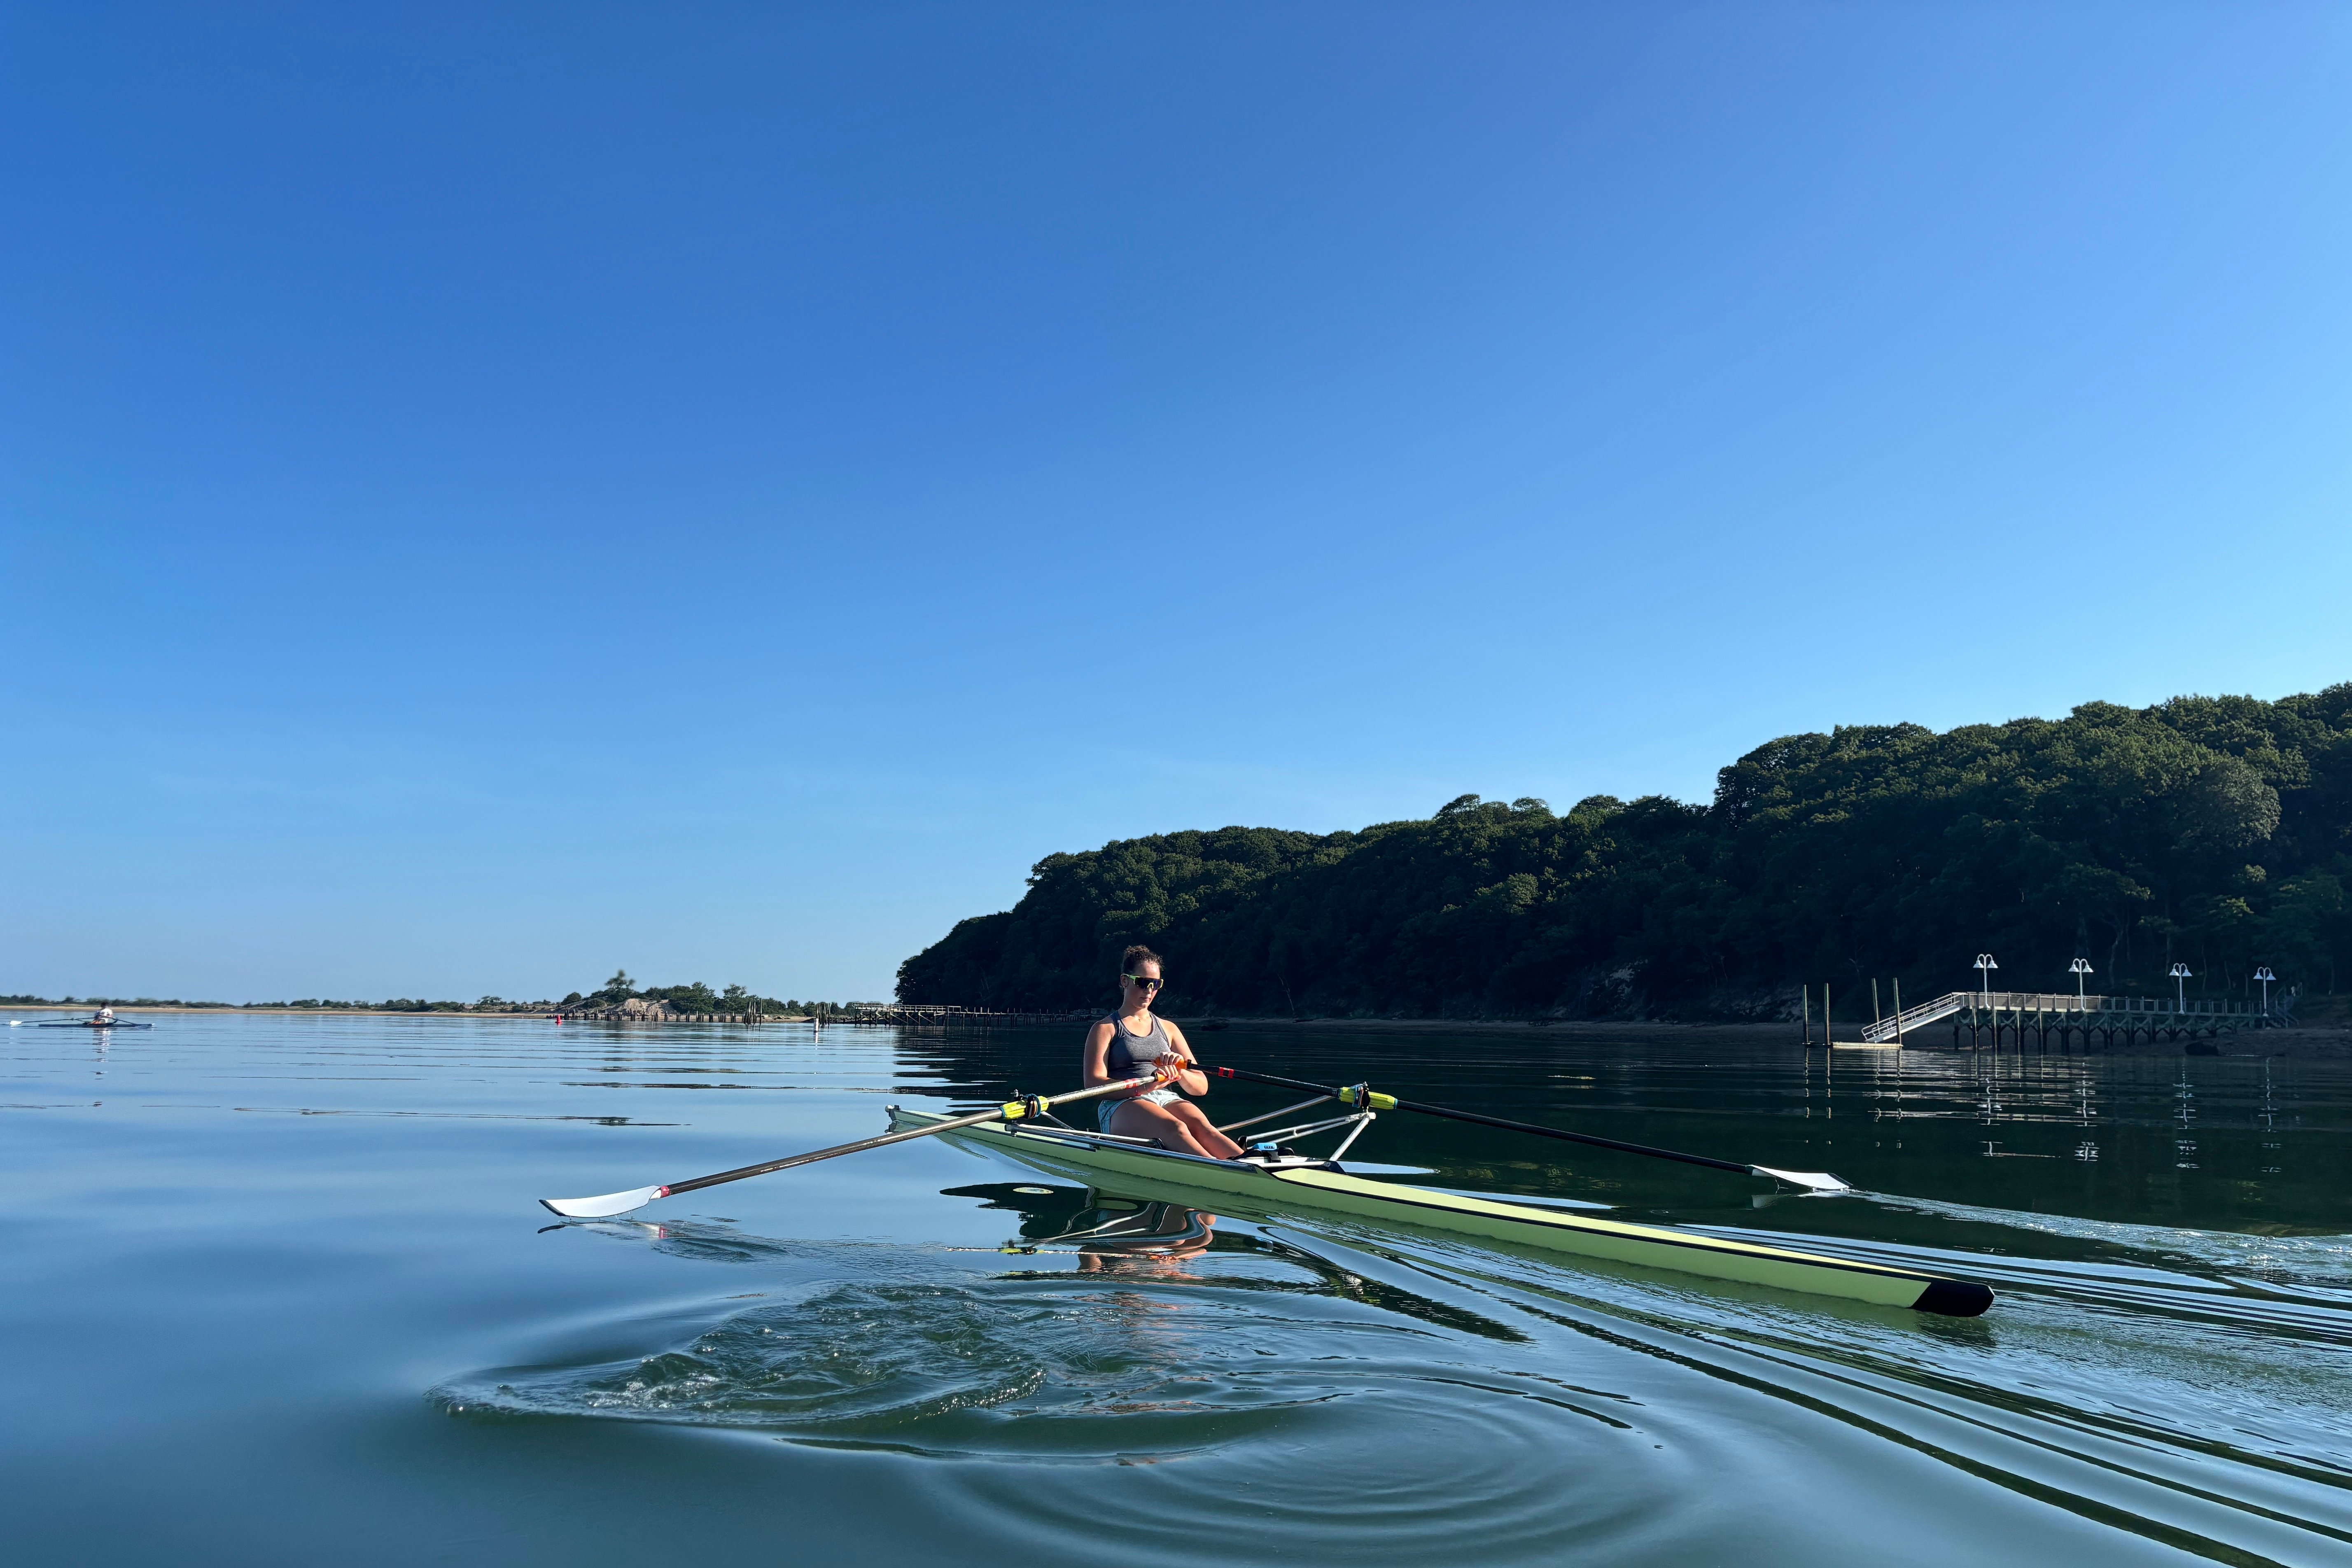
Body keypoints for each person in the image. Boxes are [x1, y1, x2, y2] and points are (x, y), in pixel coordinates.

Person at [1080, 945, 1245, 1159]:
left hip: (1165, 1097)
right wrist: (1144, 1086)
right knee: (1176, 1127)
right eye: (1142, 982)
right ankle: (1224, 1173)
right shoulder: (1105, 1028)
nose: (1149, 990)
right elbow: (1093, 1085)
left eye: (1156, 984)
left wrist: (1181, 1071)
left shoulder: (1169, 1029)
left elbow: (1200, 1088)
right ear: (1124, 981)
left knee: (1203, 1128)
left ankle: (1252, 1166)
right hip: (1121, 1105)